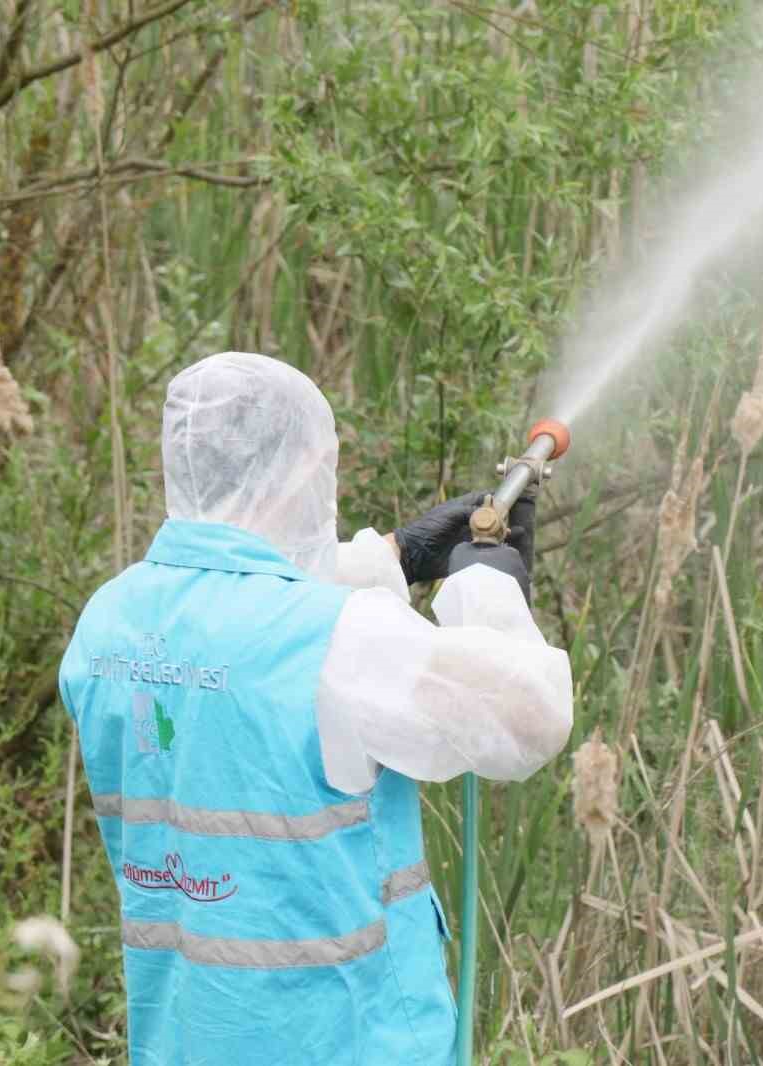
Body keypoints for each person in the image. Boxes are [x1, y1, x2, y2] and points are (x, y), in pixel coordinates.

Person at [58, 352, 573, 1065]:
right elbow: (524, 718)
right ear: (303, 471)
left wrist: (393, 555)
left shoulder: (109, 620)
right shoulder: (339, 639)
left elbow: (240, 615)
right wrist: (487, 587)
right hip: (347, 1041)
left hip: (184, 1040)